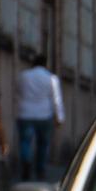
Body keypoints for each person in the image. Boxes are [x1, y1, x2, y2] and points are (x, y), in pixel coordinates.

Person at [15, 53, 64, 182]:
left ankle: (26, 160)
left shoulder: (24, 76)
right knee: (43, 144)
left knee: (25, 142)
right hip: (44, 115)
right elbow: (57, 99)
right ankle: (40, 169)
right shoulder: (51, 78)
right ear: (45, 64)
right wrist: (59, 117)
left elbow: (18, 91)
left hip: (25, 113)